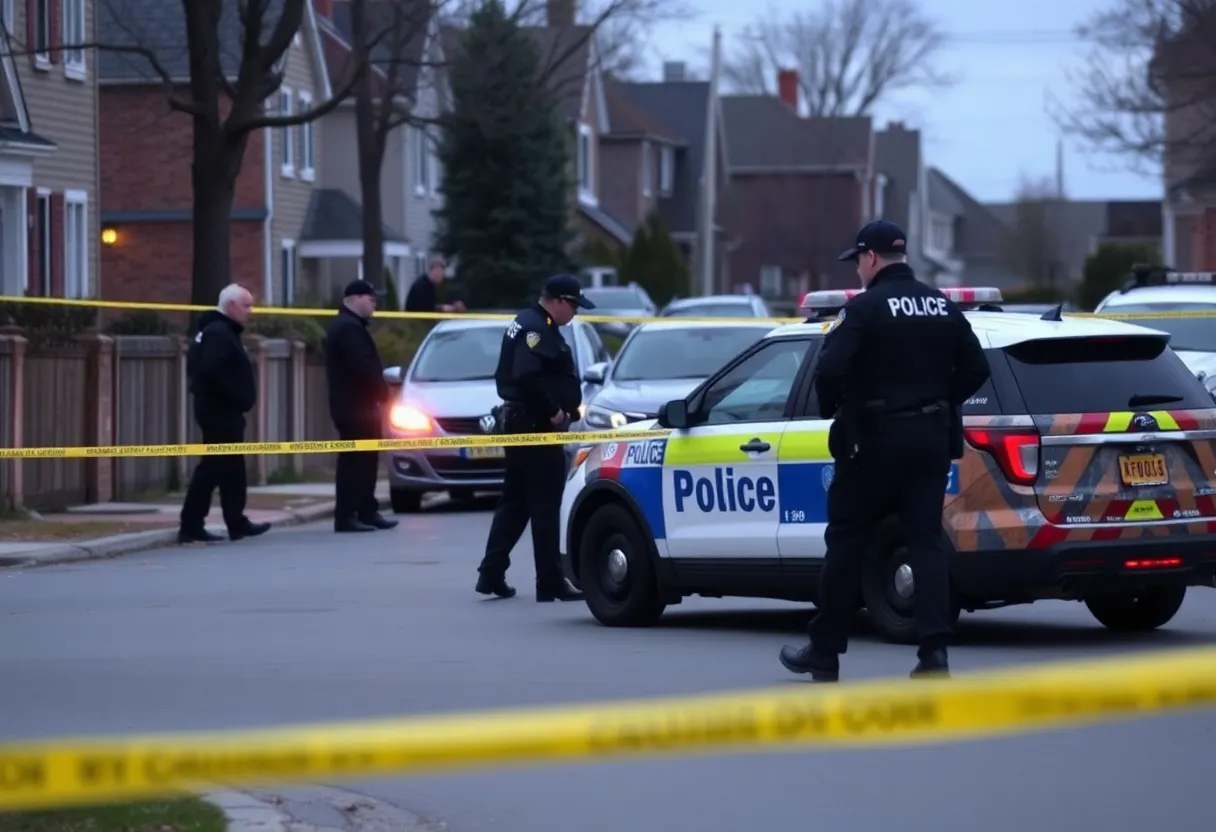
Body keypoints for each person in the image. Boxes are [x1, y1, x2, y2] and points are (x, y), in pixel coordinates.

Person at [779, 220, 990, 681]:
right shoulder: (941, 306)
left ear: (870, 258)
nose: (857, 270)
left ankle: (826, 650)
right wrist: (939, 400)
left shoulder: (866, 308)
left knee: (847, 543)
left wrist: (838, 405)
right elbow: (977, 367)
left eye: (857, 261)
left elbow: (830, 369)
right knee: (926, 542)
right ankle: (934, 653)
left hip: (871, 443)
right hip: (930, 442)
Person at [475, 275, 592, 602]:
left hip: (522, 423)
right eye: (573, 305)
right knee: (545, 504)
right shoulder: (536, 328)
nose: (575, 313)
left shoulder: (529, 321)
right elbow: (527, 375)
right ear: (557, 300)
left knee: (515, 501)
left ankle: (491, 572)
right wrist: (554, 411)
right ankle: (550, 582)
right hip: (535, 425)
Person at [178, 284, 272, 544]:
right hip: (218, 411)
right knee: (213, 467)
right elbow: (210, 371)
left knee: (232, 468)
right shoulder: (218, 334)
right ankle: (191, 524)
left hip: (225, 411)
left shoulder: (222, 332)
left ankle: (236, 522)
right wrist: (236, 396)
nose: (250, 311)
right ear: (230, 305)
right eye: (246, 305)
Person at [325, 279, 399, 533]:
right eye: (370, 298)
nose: (374, 302)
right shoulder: (347, 328)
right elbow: (362, 368)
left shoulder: (352, 326)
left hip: (359, 406)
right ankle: (347, 515)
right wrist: (382, 391)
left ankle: (367, 510)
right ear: (355, 298)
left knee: (366, 461)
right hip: (354, 407)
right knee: (355, 462)